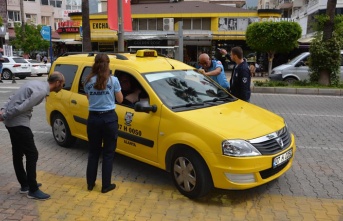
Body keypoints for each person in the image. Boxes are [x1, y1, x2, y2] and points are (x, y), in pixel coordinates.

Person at [0, 71, 65, 200]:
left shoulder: (35, 83)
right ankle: (33, 190)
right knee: (32, 154)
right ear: (57, 83)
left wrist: (3, 109)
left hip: (12, 122)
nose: (62, 87)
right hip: (18, 123)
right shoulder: (41, 92)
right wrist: (5, 114)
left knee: (18, 152)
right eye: (62, 84)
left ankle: (25, 184)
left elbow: (13, 96)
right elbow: (23, 107)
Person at [84, 53, 123, 194]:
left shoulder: (88, 80)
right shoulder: (113, 80)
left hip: (93, 119)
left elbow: (89, 98)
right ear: (108, 64)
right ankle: (106, 185)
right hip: (109, 119)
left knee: (93, 152)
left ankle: (90, 183)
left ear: (95, 63)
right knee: (108, 153)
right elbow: (120, 99)